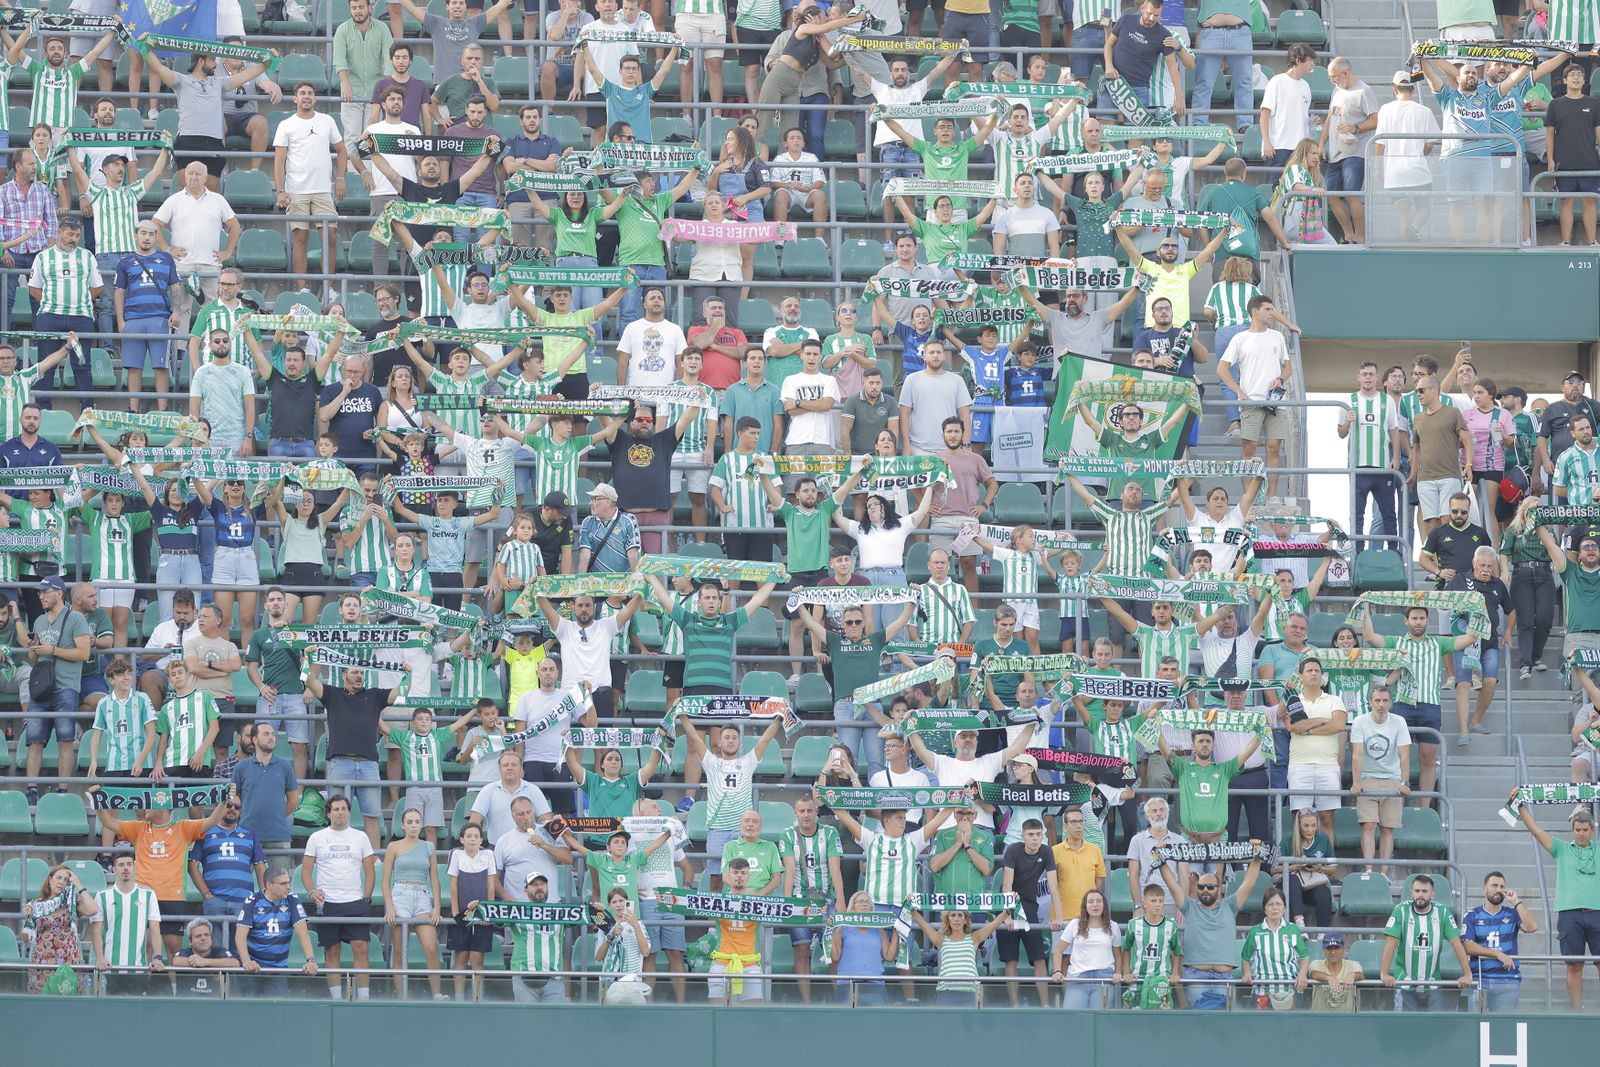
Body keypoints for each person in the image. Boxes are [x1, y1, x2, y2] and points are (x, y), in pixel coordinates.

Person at [1158, 841, 1264, 1010]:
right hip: (1196, 977)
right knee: (1199, 1024)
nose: (1205, 890)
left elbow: (1249, 883)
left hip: (1224, 978)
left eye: (1210, 886)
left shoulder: (1230, 905)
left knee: (1224, 1027)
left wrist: (1257, 856)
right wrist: (1161, 859)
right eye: (1201, 887)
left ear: (1219, 888)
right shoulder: (1189, 906)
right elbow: (1172, 884)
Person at [1515, 804, 1600, 1009]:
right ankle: (1577, 1012)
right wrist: (1520, 806)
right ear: (1572, 830)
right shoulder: (1562, 848)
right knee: (1574, 966)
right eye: (1577, 830)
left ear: (1592, 830)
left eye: (1585, 830)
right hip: (1570, 915)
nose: (1581, 833)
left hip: (1597, 913)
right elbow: (1536, 830)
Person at [1216, 295, 1293, 498]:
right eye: (1268, 309)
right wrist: (1240, 392)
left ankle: (1272, 498)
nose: (1272, 314)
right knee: (1249, 449)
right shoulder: (1240, 338)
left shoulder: (1277, 336)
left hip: (1275, 402)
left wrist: (1281, 379)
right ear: (1255, 311)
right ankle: (1249, 499)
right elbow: (1222, 369)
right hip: (1251, 402)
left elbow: (1288, 367)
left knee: (1274, 448)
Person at [301, 794, 377, 1000]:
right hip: (328, 903)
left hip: (355, 901)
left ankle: (364, 998)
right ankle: (336, 999)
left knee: (361, 948)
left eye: (344, 809)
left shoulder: (360, 837)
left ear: (349, 812)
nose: (341, 812)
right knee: (332, 951)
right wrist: (311, 891)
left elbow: (370, 870)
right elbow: (305, 871)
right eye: (336, 809)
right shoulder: (317, 837)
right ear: (328, 813)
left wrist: (366, 898)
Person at [1380, 873, 1475, 1010]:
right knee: (1405, 1028)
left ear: (1432, 894)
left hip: (1432, 983)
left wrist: (1467, 973)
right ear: (1411, 892)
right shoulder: (1400, 910)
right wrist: (1384, 973)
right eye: (1417, 891)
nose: (1420, 895)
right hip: (1404, 982)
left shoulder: (1442, 912)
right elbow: (1390, 943)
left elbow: (1456, 944)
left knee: (1436, 1028)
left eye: (1424, 891)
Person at [1348, 684, 1411, 873]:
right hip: (1368, 778)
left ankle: (1383, 873)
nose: (1381, 704)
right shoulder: (1360, 721)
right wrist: (1356, 781)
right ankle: (1368, 870)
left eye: (1385, 701)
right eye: (1377, 700)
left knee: (1387, 828)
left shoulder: (1399, 721)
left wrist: (1404, 782)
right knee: (1368, 825)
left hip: (1392, 778)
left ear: (1390, 702)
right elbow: (1357, 754)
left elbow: (1404, 754)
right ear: (1370, 702)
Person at [1460, 870, 1538, 1013]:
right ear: (1484, 889)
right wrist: (1497, 954)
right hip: (1479, 978)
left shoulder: (1512, 913)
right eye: (1494, 885)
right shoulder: (1472, 915)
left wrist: (1516, 902)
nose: (1498, 890)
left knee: (1501, 1027)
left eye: (1502, 887)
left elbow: (1532, 927)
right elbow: (1467, 945)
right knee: (1469, 1024)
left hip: (1507, 979)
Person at [235, 867, 318, 996]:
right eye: (283, 883)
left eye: (289, 882)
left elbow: (303, 932)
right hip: (253, 965)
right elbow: (240, 936)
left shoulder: (292, 899)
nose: (288, 887)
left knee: (279, 1010)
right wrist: (247, 962)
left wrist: (311, 960)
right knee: (249, 1009)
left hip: (277, 968)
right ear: (269, 885)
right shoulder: (252, 901)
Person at [90, 851, 164, 996]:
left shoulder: (148, 894)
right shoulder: (102, 895)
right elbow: (96, 932)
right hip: (110, 967)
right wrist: (100, 958)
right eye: (121, 864)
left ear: (134, 867)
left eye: (129, 864)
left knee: (137, 1014)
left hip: (137, 968)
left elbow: (155, 928)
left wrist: (158, 957)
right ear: (114, 869)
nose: (125, 868)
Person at [23, 863, 98, 994]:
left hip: (68, 963)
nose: (62, 882)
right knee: (42, 1007)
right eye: (58, 878)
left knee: (68, 1007)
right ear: (50, 880)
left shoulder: (72, 902)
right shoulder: (36, 904)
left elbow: (93, 910)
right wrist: (28, 918)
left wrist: (78, 884)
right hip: (43, 963)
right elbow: (25, 939)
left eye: (66, 880)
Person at [1239, 887, 1310, 1011]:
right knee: (1263, 1027)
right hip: (1262, 991)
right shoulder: (1255, 931)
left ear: (1284, 907)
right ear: (1265, 908)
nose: (1275, 907)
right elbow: (1245, 959)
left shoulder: (1293, 929)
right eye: (1270, 904)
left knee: (1289, 1028)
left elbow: (1304, 957)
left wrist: (1302, 975)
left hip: (1289, 990)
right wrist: (1246, 972)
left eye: (1278, 904)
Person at [1277, 808, 1335, 930]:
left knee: (1324, 892)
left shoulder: (1323, 839)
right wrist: (1292, 867)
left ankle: (1322, 933)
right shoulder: (1288, 840)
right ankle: (1299, 924)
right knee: (1292, 879)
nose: (1310, 830)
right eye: (1306, 826)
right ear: (1298, 826)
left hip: (1311, 884)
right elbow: (1272, 869)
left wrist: (1319, 868)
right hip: (1290, 886)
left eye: (1313, 825)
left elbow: (1333, 868)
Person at [1260, 44, 1317, 167]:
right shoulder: (1276, 82)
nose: (1312, 64)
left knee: (1299, 184)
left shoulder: (1306, 86)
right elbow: (1265, 113)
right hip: (1279, 145)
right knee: (1278, 185)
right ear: (1298, 60)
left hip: (1300, 147)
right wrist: (1267, 142)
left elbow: (1301, 114)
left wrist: (1311, 121)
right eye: (1309, 60)